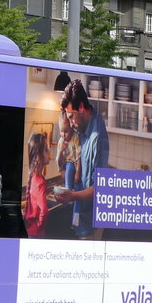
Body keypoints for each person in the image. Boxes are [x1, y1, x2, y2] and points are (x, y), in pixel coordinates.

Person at [55, 79, 109, 240]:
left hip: (92, 222)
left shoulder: (97, 137)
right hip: (82, 217)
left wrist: (72, 196)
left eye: (71, 117)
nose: (71, 123)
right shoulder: (82, 126)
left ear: (81, 108)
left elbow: (99, 188)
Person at [24, 132, 49, 238]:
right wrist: (39, 226)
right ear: (39, 156)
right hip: (37, 233)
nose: (49, 153)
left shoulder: (34, 177)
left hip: (30, 230)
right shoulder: (40, 182)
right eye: (46, 150)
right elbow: (44, 210)